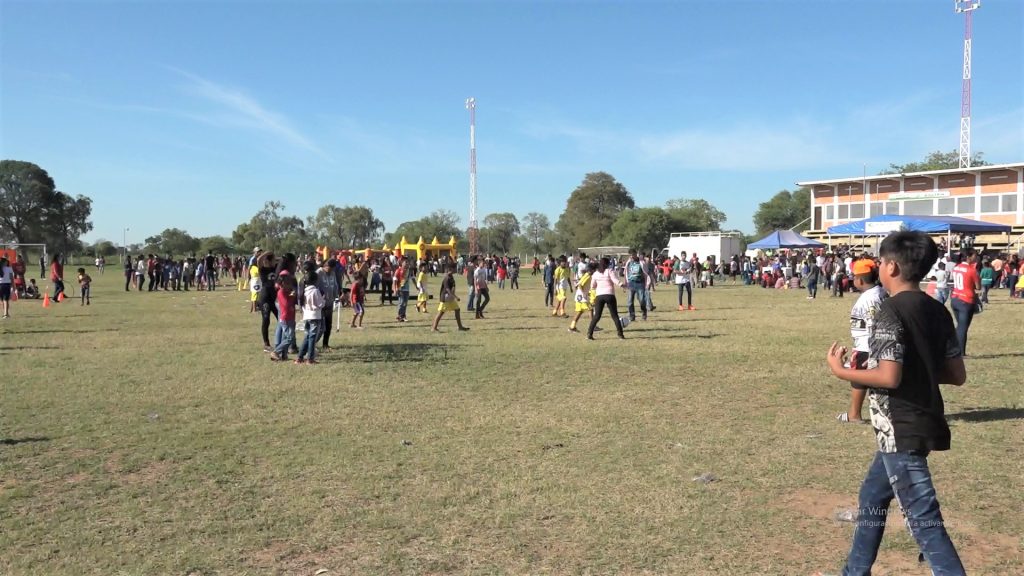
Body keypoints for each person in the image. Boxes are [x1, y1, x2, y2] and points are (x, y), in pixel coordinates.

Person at [824, 230, 966, 576]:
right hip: (920, 420)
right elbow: (955, 373)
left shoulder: (888, 311)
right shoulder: (937, 309)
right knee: (873, 496)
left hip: (900, 427)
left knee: (924, 520)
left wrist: (841, 371)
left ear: (891, 266)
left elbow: (889, 378)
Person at [836, 259, 886, 423]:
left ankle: (854, 414)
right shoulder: (879, 293)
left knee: (858, 379)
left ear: (860, 280)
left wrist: (873, 352)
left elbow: (873, 323)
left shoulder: (870, 298)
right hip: (870, 344)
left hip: (867, 345)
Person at [587, 257, 626, 340]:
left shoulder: (596, 274)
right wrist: (622, 285)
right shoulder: (609, 271)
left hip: (599, 296)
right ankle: (620, 335)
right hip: (609, 295)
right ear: (607, 264)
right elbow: (615, 280)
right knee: (614, 316)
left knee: (597, 316)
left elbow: (592, 286)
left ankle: (589, 334)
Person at [949, 251, 980, 357]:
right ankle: (960, 352)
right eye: (974, 256)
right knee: (963, 327)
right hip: (966, 300)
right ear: (968, 257)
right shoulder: (972, 270)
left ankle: (955, 349)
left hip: (955, 298)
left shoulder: (956, 267)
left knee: (960, 326)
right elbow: (978, 286)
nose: (976, 258)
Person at [296, 267, 324, 365]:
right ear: (315, 281)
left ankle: (300, 357)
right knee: (312, 338)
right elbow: (320, 304)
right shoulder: (315, 291)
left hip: (306, 316)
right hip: (315, 316)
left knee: (307, 336)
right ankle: (310, 359)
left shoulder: (304, 290)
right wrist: (324, 299)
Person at [432, 265, 469, 332]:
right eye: (453, 268)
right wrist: (455, 297)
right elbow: (447, 289)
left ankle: (460, 327)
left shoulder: (451, 277)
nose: (455, 269)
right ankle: (434, 328)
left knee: (457, 310)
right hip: (445, 298)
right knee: (441, 312)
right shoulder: (446, 278)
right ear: (450, 269)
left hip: (450, 298)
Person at [270, 273, 298, 362]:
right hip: (285, 318)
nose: (290, 285)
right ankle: (276, 351)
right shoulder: (281, 292)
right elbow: (286, 304)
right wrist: (292, 297)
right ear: (282, 284)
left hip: (291, 317)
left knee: (286, 337)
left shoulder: (287, 292)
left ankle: (284, 355)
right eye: (288, 284)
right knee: (289, 338)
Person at [569, 262, 596, 333]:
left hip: (579, 296)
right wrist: (584, 293)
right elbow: (580, 285)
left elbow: (579, 283)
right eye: (594, 270)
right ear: (592, 270)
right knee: (590, 309)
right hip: (582, 297)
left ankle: (572, 327)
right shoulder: (587, 276)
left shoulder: (587, 275)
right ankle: (593, 326)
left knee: (579, 312)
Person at [318, 260, 340, 347]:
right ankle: (311, 344)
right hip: (320, 304)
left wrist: (336, 296)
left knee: (328, 324)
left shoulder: (333, 273)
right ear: (326, 266)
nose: (331, 271)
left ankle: (325, 344)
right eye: (330, 269)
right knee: (319, 326)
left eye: (333, 269)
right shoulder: (318, 273)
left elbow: (335, 285)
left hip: (329, 303)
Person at [624, 250, 648, 322]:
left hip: (640, 283)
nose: (632, 256)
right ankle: (632, 316)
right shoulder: (629, 262)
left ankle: (644, 312)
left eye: (633, 255)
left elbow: (645, 272)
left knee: (641, 300)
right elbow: (626, 272)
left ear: (636, 254)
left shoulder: (641, 262)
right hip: (631, 283)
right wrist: (626, 283)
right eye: (630, 255)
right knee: (630, 301)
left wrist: (646, 283)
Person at [394, 256, 411, 322]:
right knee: (401, 303)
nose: (407, 263)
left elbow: (412, 278)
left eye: (407, 262)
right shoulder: (398, 270)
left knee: (405, 303)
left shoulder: (408, 271)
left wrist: (416, 286)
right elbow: (395, 280)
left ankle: (403, 316)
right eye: (405, 262)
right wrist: (395, 290)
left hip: (407, 290)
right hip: (400, 289)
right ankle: (399, 316)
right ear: (402, 263)